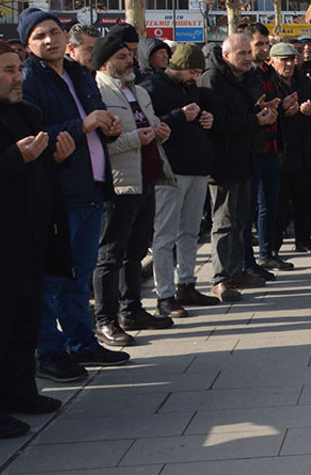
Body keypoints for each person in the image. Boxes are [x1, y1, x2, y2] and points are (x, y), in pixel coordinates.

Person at [19, 8, 128, 382]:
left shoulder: (80, 74)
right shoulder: (30, 79)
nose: (49, 40)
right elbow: (35, 132)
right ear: (28, 45)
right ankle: (49, 351)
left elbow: (96, 119)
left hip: (93, 186)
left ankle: (83, 342)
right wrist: (81, 125)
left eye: (53, 32)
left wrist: (108, 125)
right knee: (51, 279)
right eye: (39, 36)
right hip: (58, 191)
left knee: (79, 275)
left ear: (66, 36)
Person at [0, 39, 74, 439]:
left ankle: (20, 392)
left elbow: (35, 171)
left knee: (24, 324)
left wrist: (56, 159)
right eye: (10, 72)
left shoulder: (25, 113)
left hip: (30, 240)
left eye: (19, 70)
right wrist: (16, 158)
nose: (19, 79)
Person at [91, 34, 177, 346]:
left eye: (129, 56)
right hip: (119, 183)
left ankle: (132, 309)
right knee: (111, 254)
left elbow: (150, 125)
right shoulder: (97, 91)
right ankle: (106, 319)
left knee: (136, 251)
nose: (129, 62)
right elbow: (102, 144)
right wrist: (135, 139)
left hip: (148, 178)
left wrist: (160, 133)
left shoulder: (138, 90)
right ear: (104, 62)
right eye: (121, 57)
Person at [141, 43, 220, 317]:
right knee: (164, 236)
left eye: (199, 72)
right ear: (177, 66)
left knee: (190, 231)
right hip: (170, 171)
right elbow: (151, 125)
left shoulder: (192, 88)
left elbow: (197, 118)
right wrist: (179, 116)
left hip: (197, 166)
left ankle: (187, 283)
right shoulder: (152, 87)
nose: (195, 77)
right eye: (192, 71)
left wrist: (206, 118)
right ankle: (164, 295)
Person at [199, 34, 277, 301]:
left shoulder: (248, 78)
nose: (246, 58)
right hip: (222, 162)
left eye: (248, 52)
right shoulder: (212, 79)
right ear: (226, 55)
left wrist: (264, 112)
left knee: (242, 219)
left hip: (247, 158)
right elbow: (219, 122)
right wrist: (255, 119)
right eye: (241, 53)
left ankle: (236, 271)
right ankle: (220, 278)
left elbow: (248, 113)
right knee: (223, 222)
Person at [268, 43, 311, 255]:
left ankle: (304, 239)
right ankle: (273, 247)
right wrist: (284, 111)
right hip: (281, 151)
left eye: (292, 59)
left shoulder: (302, 80)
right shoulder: (269, 82)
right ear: (272, 61)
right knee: (279, 203)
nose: (289, 64)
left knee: (306, 199)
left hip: (305, 149)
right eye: (284, 60)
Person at [247, 24, 290, 272]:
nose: (264, 48)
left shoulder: (267, 72)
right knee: (250, 208)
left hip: (272, 146)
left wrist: (282, 105)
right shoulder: (247, 74)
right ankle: (249, 261)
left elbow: (271, 105)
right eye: (258, 44)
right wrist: (259, 109)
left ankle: (268, 252)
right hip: (254, 148)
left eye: (266, 44)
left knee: (270, 204)